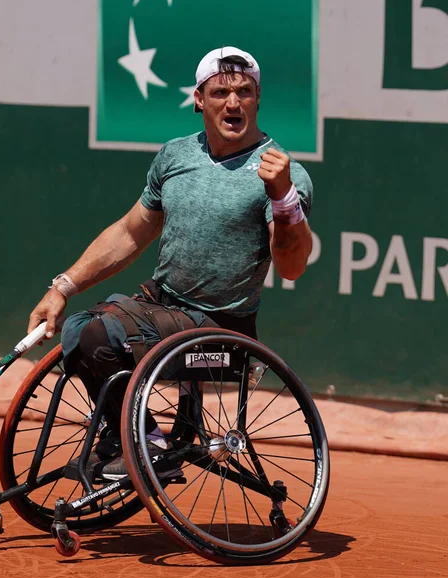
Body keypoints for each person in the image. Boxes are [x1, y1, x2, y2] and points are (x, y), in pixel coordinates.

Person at [27, 46, 313, 480]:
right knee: (76, 327)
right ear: (199, 99)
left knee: (99, 332)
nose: (233, 103)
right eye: (220, 92)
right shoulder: (176, 156)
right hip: (163, 309)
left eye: (244, 92)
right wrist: (62, 287)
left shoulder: (280, 173)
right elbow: (130, 233)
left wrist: (284, 198)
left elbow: (292, 266)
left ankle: (145, 443)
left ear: (258, 99)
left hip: (221, 330)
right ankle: (135, 433)